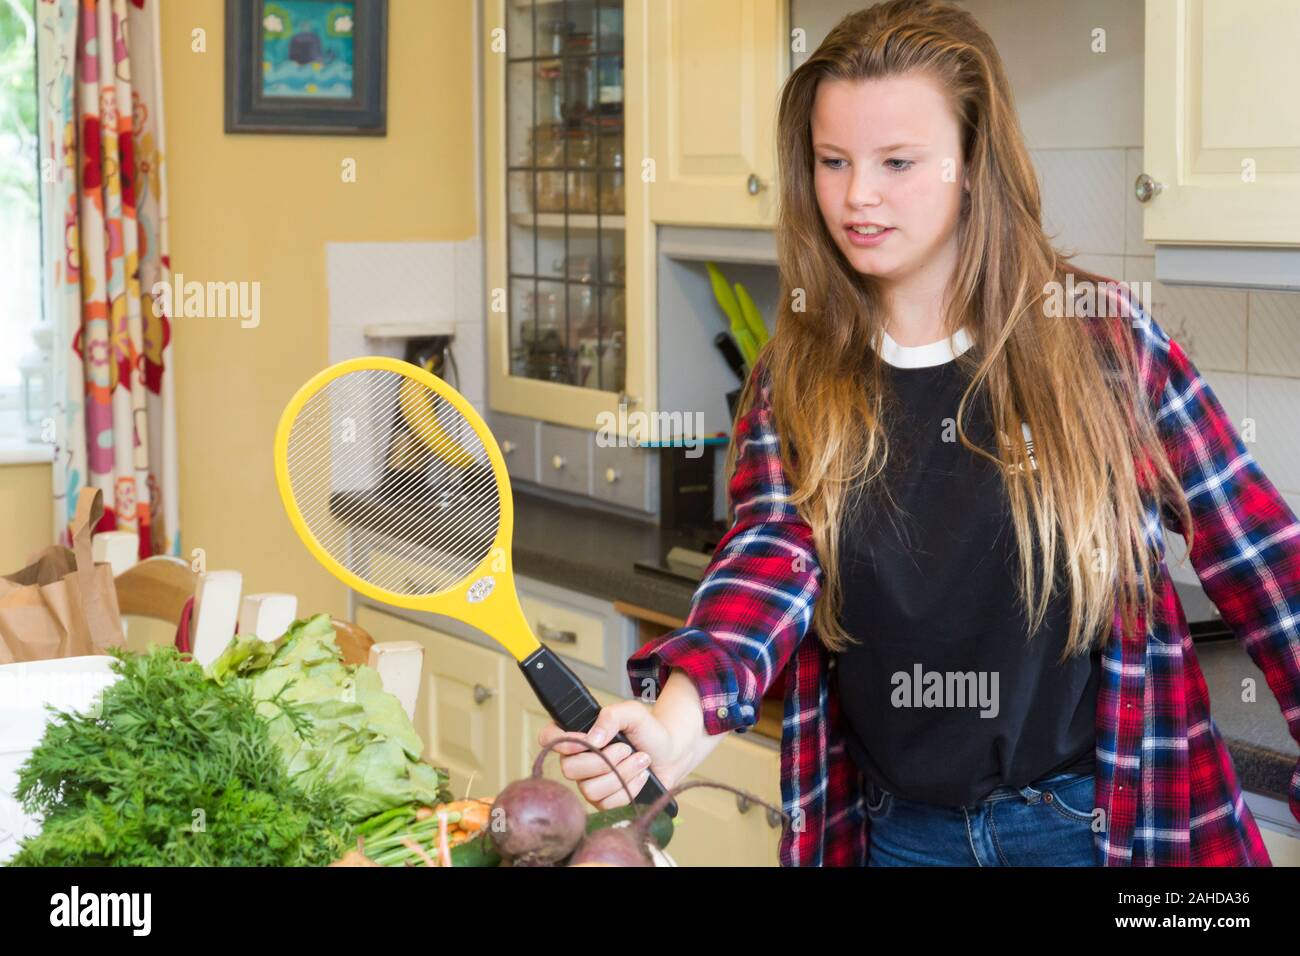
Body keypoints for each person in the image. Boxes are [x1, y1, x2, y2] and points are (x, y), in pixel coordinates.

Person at [538, 0, 1300, 866]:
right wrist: (676, 722)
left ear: (975, 163)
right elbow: (768, 560)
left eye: (898, 162)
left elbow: (1265, 561)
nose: (858, 195)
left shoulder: (1103, 344)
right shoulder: (795, 376)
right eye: (833, 161)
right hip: (895, 836)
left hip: (1101, 826)